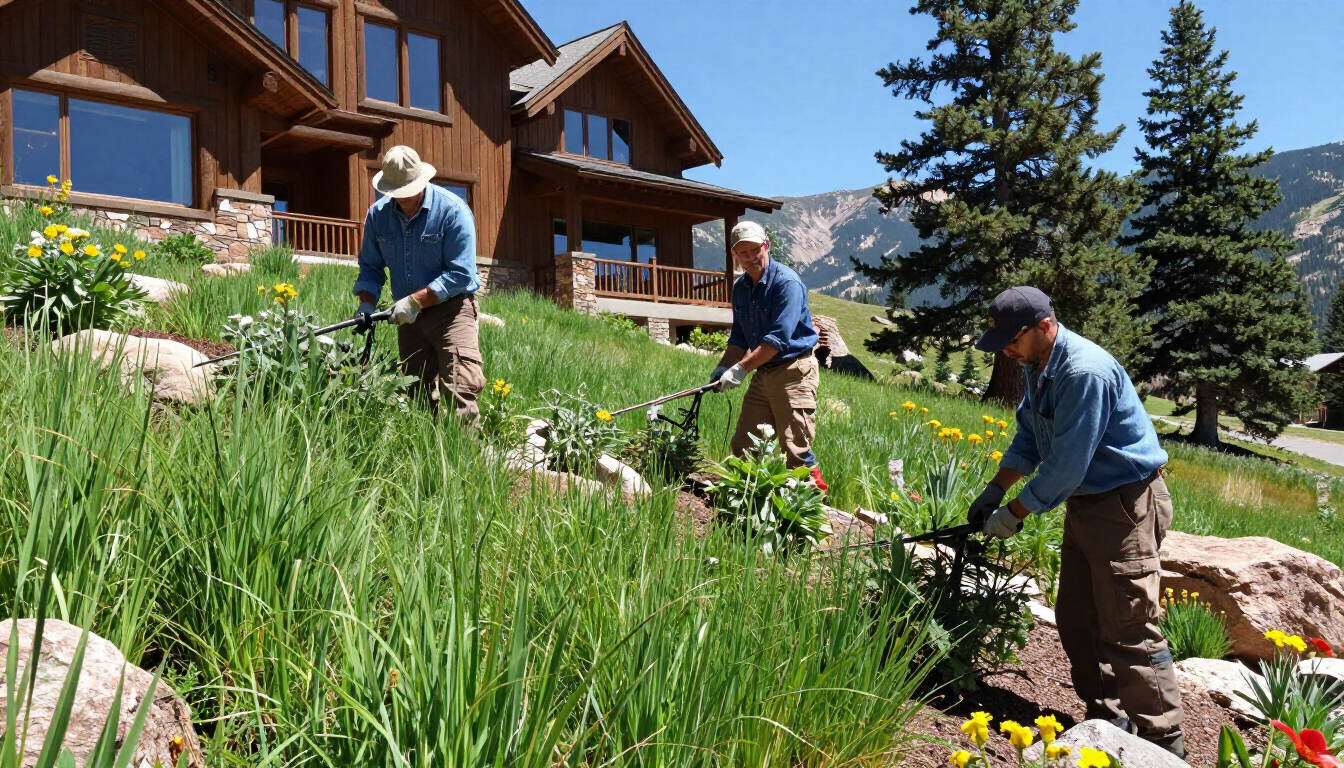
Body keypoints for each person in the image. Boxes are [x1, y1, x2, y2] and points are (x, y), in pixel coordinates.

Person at [967, 286, 1185, 758]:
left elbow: (1067, 465)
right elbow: (1030, 437)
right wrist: (995, 489)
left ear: (1044, 325)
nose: (1006, 348)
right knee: (1078, 619)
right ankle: (1107, 718)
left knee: (1128, 626)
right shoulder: (1036, 365)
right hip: (1087, 505)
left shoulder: (1083, 371)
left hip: (1124, 505)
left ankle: (1164, 743)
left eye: (1013, 338)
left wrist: (1014, 514)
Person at [352, 145, 484, 421]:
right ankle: (427, 456)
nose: (401, 199)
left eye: (406, 191)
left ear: (421, 181)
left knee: (461, 390)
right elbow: (371, 268)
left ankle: (466, 459)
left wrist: (415, 301)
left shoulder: (452, 211)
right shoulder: (378, 216)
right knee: (415, 395)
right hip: (410, 320)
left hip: (453, 311)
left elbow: (461, 273)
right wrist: (366, 303)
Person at [711, 221, 826, 490]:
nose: (751, 257)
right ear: (735, 256)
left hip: (794, 371)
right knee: (744, 444)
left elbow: (777, 340)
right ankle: (750, 500)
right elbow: (739, 336)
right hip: (764, 372)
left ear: (767, 245)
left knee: (795, 449)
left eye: (755, 249)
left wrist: (739, 370)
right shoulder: (741, 288)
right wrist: (722, 368)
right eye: (743, 252)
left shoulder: (786, 283)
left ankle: (818, 510)